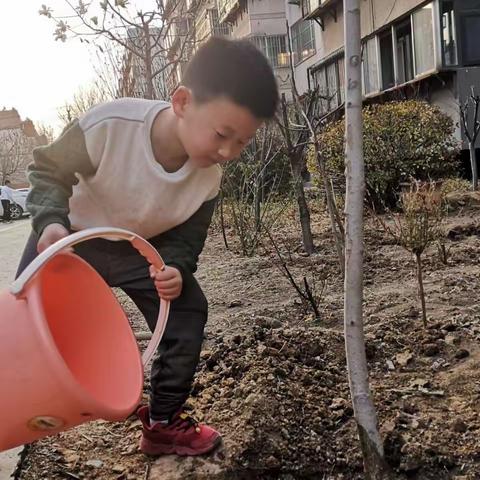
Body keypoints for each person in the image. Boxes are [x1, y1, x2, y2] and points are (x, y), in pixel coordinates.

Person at [16, 37, 279, 456]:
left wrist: (175, 267)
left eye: (242, 143)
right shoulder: (110, 126)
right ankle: (14, 407)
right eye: (222, 134)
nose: (228, 152)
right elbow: (48, 170)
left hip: (139, 250)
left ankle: (162, 423)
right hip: (67, 238)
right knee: (24, 325)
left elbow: (187, 237)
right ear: (182, 102)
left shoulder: (208, 179)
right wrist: (50, 224)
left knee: (187, 309)